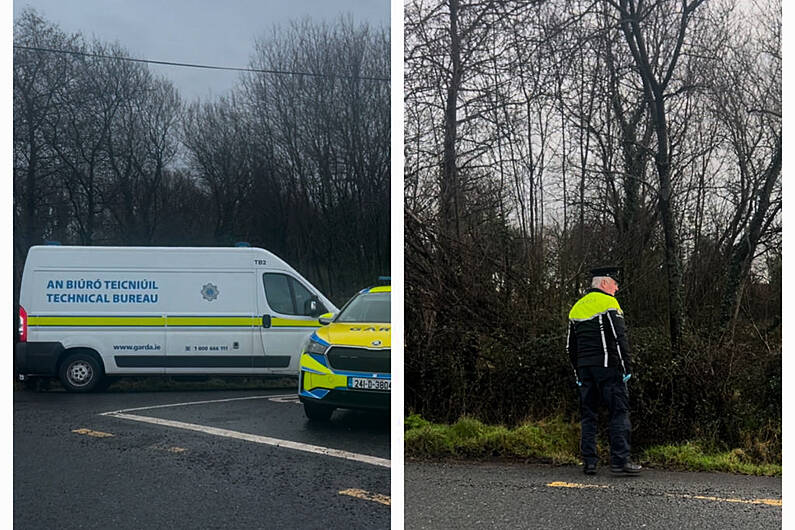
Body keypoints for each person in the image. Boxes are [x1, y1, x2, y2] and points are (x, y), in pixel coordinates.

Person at [566, 266, 641, 475]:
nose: (616, 288)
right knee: (618, 412)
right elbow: (619, 339)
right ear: (604, 283)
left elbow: (570, 347)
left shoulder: (576, 308)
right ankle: (620, 461)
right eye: (615, 283)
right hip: (608, 368)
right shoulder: (609, 303)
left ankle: (590, 462)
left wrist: (578, 374)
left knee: (588, 415)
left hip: (585, 370)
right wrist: (626, 367)